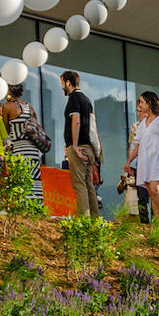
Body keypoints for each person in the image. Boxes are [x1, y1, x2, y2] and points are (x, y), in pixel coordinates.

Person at [126, 90, 159, 222]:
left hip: (157, 160)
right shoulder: (142, 123)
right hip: (144, 162)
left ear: (149, 102)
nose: (140, 105)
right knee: (151, 193)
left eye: (141, 102)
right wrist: (129, 160)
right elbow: (138, 144)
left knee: (156, 191)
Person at [61, 72, 102, 219]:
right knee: (88, 184)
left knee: (79, 185)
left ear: (67, 83)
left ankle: (84, 221)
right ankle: (95, 219)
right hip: (89, 148)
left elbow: (76, 120)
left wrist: (75, 146)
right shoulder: (86, 99)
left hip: (80, 148)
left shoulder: (74, 98)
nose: (61, 87)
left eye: (62, 83)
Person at [2, 84, 44, 201]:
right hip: (33, 149)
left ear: (9, 91)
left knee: (20, 179)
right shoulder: (29, 107)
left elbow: (5, 130)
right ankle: (35, 207)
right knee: (33, 178)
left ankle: (22, 207)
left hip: (20, 148)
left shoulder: (7, 106)